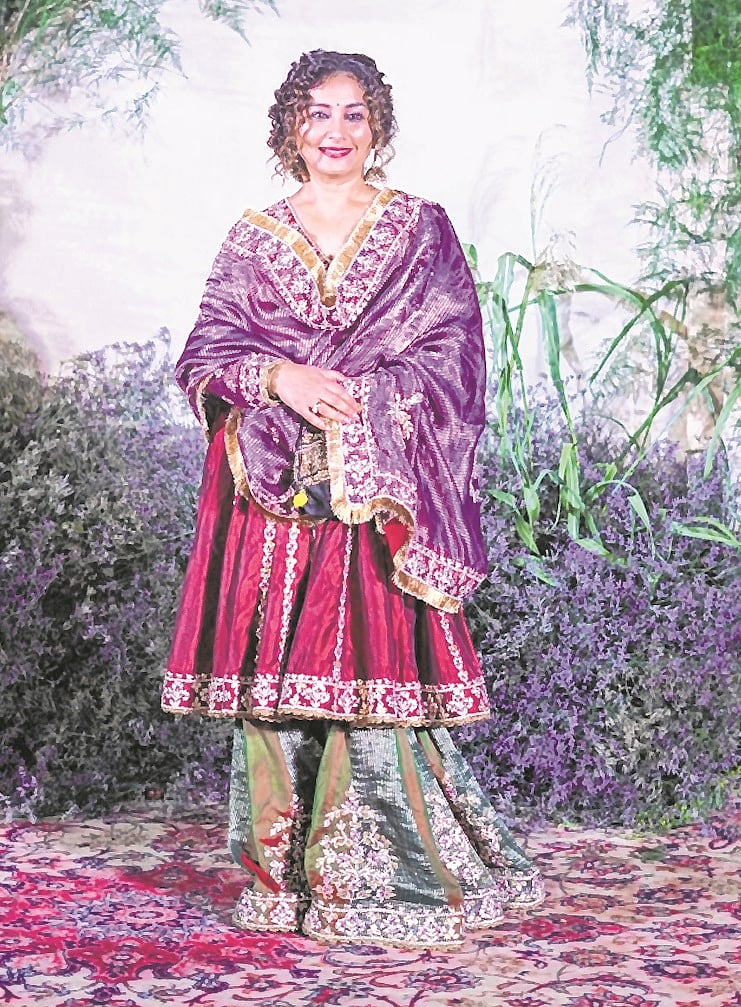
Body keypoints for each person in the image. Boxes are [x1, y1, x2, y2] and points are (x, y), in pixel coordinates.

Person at [161, 49, 544, 948]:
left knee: (369, 668)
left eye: (353, 114)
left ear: (377, 127)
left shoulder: (419, 229)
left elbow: (456, 357)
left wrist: (365, 402)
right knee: (275, 677)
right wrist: (280, 377)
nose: (334, 132)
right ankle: (281, 879)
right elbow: (205, 355)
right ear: (289, 126)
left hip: (373, 496)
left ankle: (387, 878)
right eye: (317, 113)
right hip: (272, 496)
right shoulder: (253, 237)